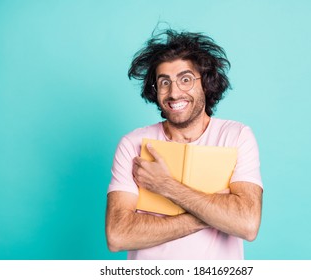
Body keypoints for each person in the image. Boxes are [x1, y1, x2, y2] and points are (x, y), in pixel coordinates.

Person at [105, 28, 263, 260]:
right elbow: (117, 235)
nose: (174, 92)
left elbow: (247, 224)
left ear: (206, 83)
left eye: (185, 79)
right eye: (164, 82)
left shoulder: (236, 136)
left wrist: (165, 185)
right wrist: (215, 213)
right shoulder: (133, 144)